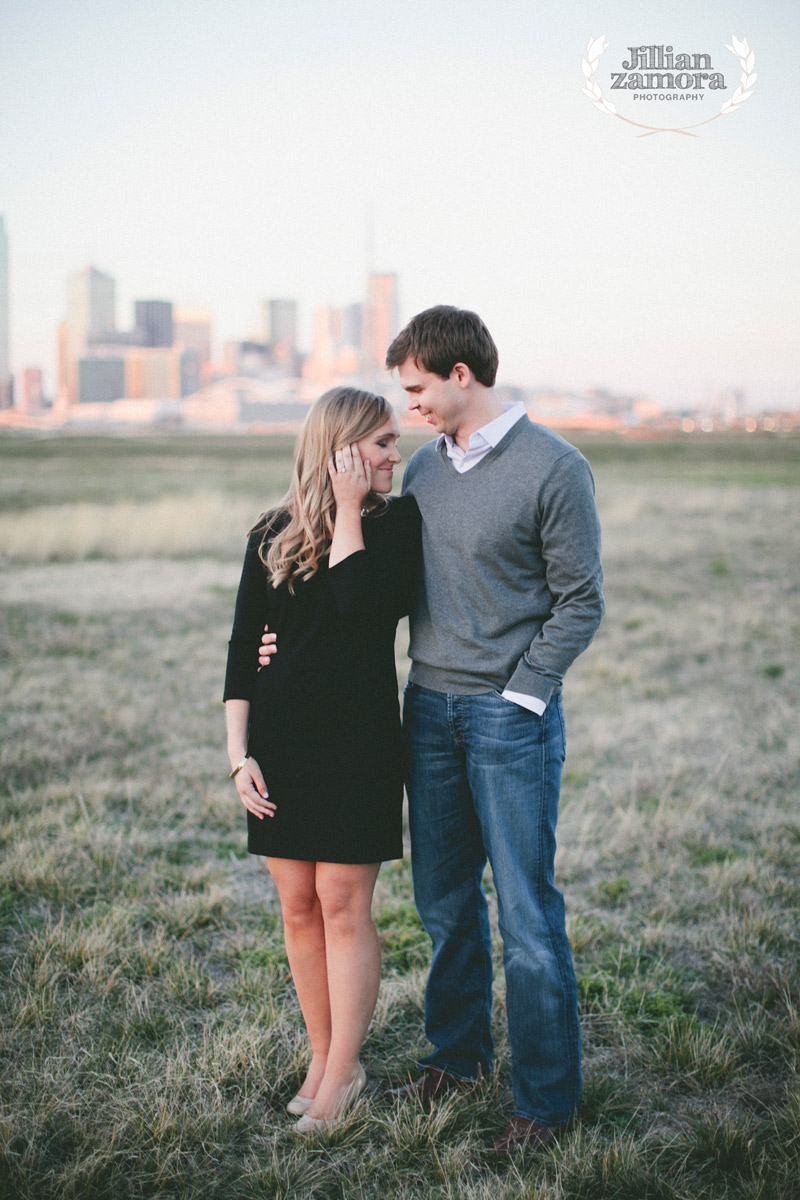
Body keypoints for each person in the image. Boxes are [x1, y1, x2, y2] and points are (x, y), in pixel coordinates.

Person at [260, 307, 604, 1152]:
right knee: (445, 905)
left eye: (415, 387)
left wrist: (523, 694)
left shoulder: (554, 468)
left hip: (507, 719)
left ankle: (545, 1103)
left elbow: (581, 599)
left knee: (526, 915)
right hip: (427, 711)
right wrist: (283, 639)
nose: (406, 404)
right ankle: (456, 1056)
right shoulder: (421, 472)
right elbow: (366, 587)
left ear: (461, 375)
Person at [224, 386, 420, 1132]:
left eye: (395, 443)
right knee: (298, 908)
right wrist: (238, 757)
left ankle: (343, 1075)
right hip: (281, 748)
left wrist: (346, 512)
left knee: (343, 908)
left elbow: (360, 605)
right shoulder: (269, 533)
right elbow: (245, 648)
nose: (396, 457)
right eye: (381, 446)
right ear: (340, 448)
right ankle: (322, 1055)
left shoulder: (397, 525)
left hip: (359, 746)